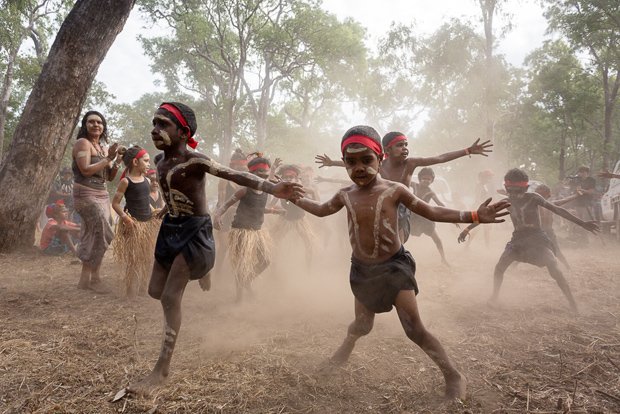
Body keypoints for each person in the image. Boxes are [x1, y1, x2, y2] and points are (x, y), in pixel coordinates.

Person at [292, 125, 510, 400]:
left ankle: (453, 374)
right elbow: (322, 210)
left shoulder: (395, 190)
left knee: (413, 329)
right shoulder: (345, 194)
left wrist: (473, 216)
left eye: (366, 160)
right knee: (362, 325)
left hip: (395, 268)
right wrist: (293, 197)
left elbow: (431, 211)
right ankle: (345, 348)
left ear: (380, 159)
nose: (359, 167)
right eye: (351, 161)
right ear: (344, 163)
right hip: (362, 270)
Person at [126, 102, 303, 396]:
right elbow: (170, 193)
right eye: (154, 123)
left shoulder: (197, 160)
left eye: (163, 124)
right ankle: (202, 269)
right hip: (170, 228)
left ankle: (161, 368)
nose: (155, 130)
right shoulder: (158, 160)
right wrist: (163, 212)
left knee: (170, 297)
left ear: (183, 132)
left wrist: (273, 188)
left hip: (195, 231)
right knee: (155, 291)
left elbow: (236, 177)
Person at [458, 169, 599, 313]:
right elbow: (484, 216)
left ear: (525, 188)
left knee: (554, 267)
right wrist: (467, 229)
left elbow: (557, 210)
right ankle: (494, 298)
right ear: (506, 189)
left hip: (537, 239)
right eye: (511, 190)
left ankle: (573, 303)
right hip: (517, 241)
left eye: (518, 190)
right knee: (499, 268)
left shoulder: (534, 198)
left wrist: (582, 223)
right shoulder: (505, 202)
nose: (514, 194)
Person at [315, 132, 492, 242]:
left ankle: (398, 260)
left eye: (406, 145)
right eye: (400, 145)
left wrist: (467, 151)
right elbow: (357, 163)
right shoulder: (379, 164)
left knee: (399, 238)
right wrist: (332, 163)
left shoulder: (411, 163)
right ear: (387, 150)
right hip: (382, 204)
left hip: (403, 207)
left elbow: (439, 158)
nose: (405, 148)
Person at [213, 156, 283, 302]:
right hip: (241, 231)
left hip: (257, 232)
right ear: (251, 175)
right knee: (241, 264)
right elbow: (225, 205)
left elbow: (259, 209)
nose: (263, 177)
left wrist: (275, 211)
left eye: (265, 175)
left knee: (265, 260)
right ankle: (239, 298)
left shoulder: (266, 191)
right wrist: (218, 216)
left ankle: (246, 281)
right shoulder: (244, 191)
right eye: (259, 175)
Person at [71, 110, 121, 292]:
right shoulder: (82, 143)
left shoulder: (101, 147)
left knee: (94, 233)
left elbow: (108, 177)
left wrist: (116, 161)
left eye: (99, 122)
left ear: (103, 127)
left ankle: (88, 279)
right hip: (85, 195)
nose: (96, 125)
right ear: (85, 125)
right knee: (102, 232)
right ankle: (93, 278)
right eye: (91, 122)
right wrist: (108, 158)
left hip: (102, 194)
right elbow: (85, 170)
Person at [111, 146, 160, 298]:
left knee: (147, 258)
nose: (148, 164)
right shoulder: (126, 181)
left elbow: (145, 201)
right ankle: (130, 291)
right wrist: (125, 218)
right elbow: (115, 203)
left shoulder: (146, 180)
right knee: (133, 260)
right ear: (135, 162)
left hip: (146, 226)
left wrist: (154, 212)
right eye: (145, 161)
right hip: (134, 226)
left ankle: (143, 289)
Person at [269, 164, 317, 266]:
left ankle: (308, 265)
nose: (288, 179)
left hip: (300, 220)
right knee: (275, 242)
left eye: (290, 177)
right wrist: (277, 209)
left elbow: (315, 203)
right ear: (282, 178)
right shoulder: (280, 190)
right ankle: (274, 265)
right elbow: (271, 205)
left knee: (309, 243)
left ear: (296, 178)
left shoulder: (301, 189)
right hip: (285, 220)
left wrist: (312, 193)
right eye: (286, 177)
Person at [409, 167, 452, 266]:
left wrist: (451, 216)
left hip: (424, 218)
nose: (426, 181)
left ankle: (443, 258)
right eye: (424, 178)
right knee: (400, 236)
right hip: (411, 217)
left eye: (429, 179)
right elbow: (402, 182)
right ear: (420, 178)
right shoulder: (414, 185)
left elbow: (440, 204)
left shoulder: (430, 192)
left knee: (437, 239)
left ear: (432, 180)